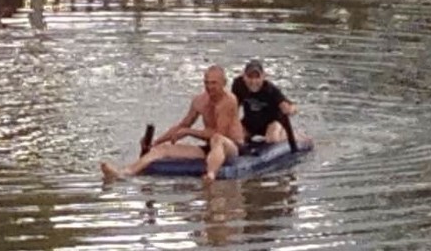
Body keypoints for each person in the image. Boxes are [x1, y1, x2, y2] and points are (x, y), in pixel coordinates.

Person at [100, 65, 243, 183]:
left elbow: (219, 133)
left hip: (230, 147)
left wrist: (189, 132)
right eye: (206, 82)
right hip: (209, 148)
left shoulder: (229, 101)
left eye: (213, 83)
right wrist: (156, 142)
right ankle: (124, 172)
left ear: (224, 83)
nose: (209, 87)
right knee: (162, 149)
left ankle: (210, 175)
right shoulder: (199, 100)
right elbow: (183, 125)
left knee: (217, 139)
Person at [231, 60, 298, 144]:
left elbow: (292, 106)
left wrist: (289, 110)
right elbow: (233, 108)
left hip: (270, 123)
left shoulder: (270, 89)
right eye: (250, 77)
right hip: (250, 123)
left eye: (257, 77)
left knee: (272, 139)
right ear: (244, 77)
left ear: (263, 77)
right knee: (235, 137)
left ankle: (286, 134)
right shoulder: (238, 85)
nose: (253, 82)